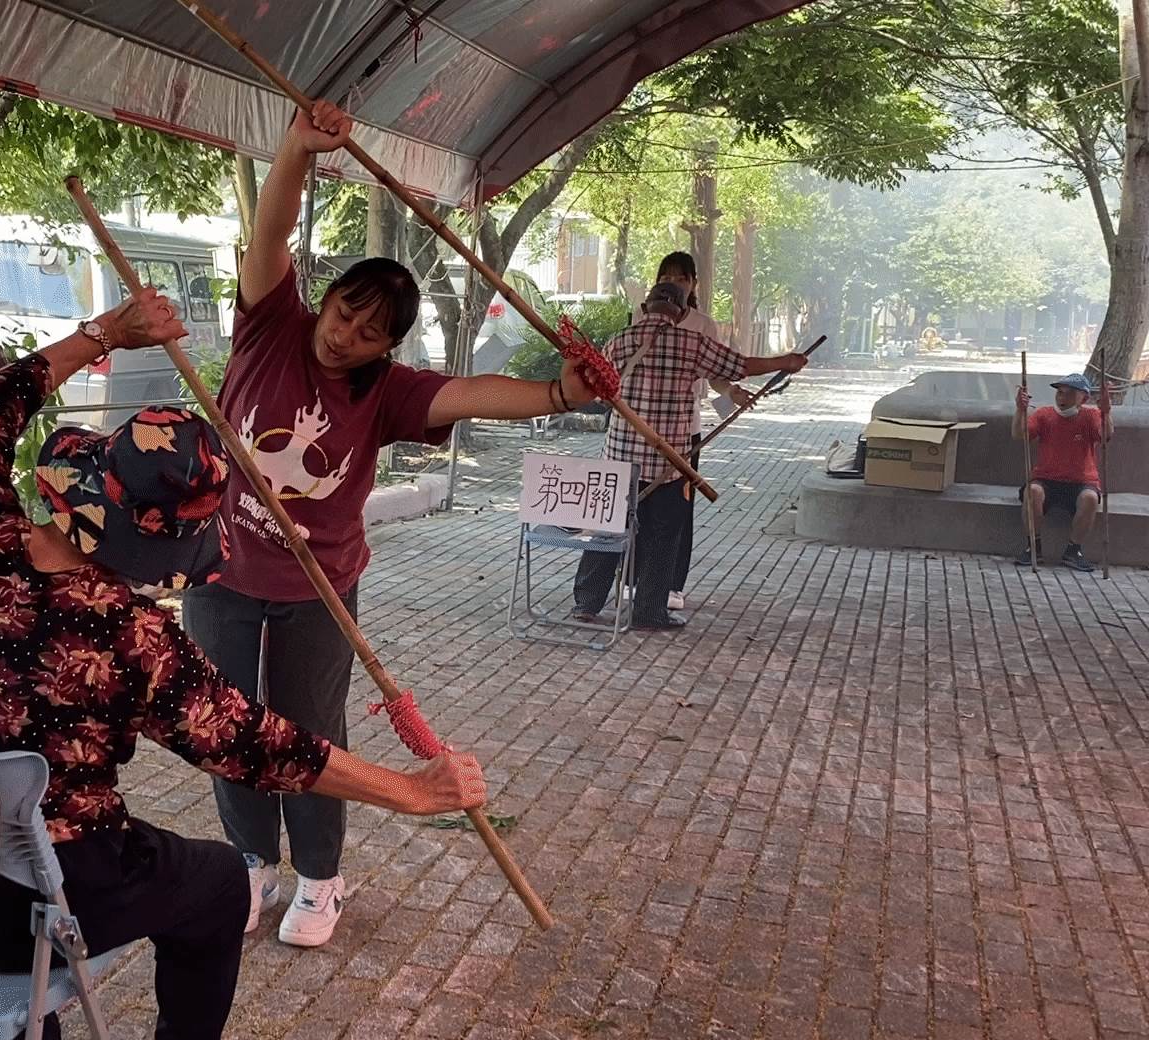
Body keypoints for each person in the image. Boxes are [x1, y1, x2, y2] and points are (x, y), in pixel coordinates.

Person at [0, 287, 487, 1040]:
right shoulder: (133, 635)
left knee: (12, 841)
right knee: (221, 884)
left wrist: (106, 332)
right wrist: (411, 789)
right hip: (32, 902)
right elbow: (260, 746)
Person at [181, 98, 598, 951]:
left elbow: (480, 396)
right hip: (220, 570)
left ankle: (321, 880)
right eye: (343, 315)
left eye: (371, 333)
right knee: (227, 722)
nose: (346, 338)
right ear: (324, 300)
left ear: (387, 346)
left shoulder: (391, 393)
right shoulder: (269, 326)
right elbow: (269, 234)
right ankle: (252, 861)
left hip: (317, 588)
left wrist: (562, 393)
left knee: (308, 732)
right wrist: (297, 148)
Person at [571, 280, 809, 629]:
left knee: (607, 530)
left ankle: (586, 605)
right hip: (669, 463)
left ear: (645, 307)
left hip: (619, 457)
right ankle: (648, 612)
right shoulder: (692, 343)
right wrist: (784, 361)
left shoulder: (619, 342)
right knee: (662, 536)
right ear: (682, 313)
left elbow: (595, 388)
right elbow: (739, 366)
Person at [629, 252, 752, 612]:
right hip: (639, 428)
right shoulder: (641, 316)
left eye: (681, 278)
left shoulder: (704, 326)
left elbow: (718, 372)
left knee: (676, 509)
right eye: (665, 276)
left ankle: (670, 585)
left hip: (683, 432)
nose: (673, 283)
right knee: (636, 504)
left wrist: (731, 391)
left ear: (693, 284)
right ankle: (632, 579)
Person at [1015, 372, 1112, 572]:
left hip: (1080, 481)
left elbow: (1105, 437)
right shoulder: (1044, 414)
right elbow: (1019, 434)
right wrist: (1020, 410)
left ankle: (1073, 550)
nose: (1062, 398)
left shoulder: (1091, 416)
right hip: (1046, 478)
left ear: (1083, 398)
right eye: (1060, 393)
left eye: (1069, 394)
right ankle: (1033, 546)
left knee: (1090, 498)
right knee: (1032, 492)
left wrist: (1106, 413)